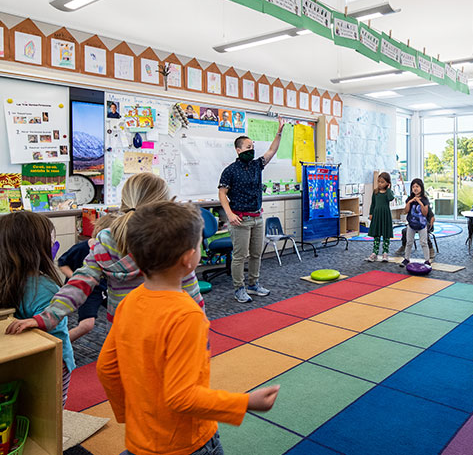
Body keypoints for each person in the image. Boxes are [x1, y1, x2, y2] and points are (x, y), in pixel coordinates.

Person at [96, 201, 280, 455]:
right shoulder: (185, 314)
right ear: (189, 258)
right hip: (186, 443)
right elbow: (182, 396)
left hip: (140, 439)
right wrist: (245, 402)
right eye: (198, 244)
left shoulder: (128, 303)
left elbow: (106, 367)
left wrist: (130, 415)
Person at [5, 173, 204, 335]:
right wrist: (200, 326)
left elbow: (79, 283)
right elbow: (191, 291)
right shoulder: (171, 240)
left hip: (123, 329)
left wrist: (46, 317)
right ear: (163, 204)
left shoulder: (106, 240)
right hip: (169, 328)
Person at [0, 212, 75, 406]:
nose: (54, 245)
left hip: (19, 362)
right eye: (51, 240)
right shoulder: (45, 287)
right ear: (35, 248)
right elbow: (55, 330)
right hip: (53, 362)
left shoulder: (6, 281)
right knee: (54, 409)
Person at [218, 122, 284, 303]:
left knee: (256, 254)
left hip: (257, 217)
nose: (252, 150)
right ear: (238, 150)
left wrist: (279, 132)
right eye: (248, 147)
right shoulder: (230, 170)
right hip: (240, 219)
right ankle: (239, 288)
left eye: (253, 147)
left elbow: (271, 151)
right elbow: (222, 193)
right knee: (240, 256)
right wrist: (229, 214)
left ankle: (253, 284)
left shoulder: (256, 165)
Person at [58, 213, 118, 342]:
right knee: (86, 325)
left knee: (119, 315)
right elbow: (62, 264)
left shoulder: (110, 252)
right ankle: (59, 347)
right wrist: (76, 277)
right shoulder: (81, 248)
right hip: (85, 290)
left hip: (101, 289)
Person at [400, 178, 431, 267]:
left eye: (417, 186)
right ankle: (406, 259)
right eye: (413, 187)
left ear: (421, 187)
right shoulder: (409, 199)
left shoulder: (425, 199)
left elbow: (425, 213)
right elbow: (406, 211)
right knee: (409, 242)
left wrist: (420, 203)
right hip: (411, 225)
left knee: (423, 242)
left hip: (422, 225)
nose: (415, 188)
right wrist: (409, 202)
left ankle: (427, 260)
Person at [366, 172, 394, 263]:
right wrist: (371, 213)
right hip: (377, 215)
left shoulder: (388, 192)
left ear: (387, 183)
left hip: (385, 215)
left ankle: (385, 253)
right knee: (376, 234)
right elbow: (373, 203)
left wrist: (389, 189)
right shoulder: (375, 192)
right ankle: (375, 253)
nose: (380, 184)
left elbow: (391, 198)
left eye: (382, 182)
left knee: (386, 235)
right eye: (379, 182)